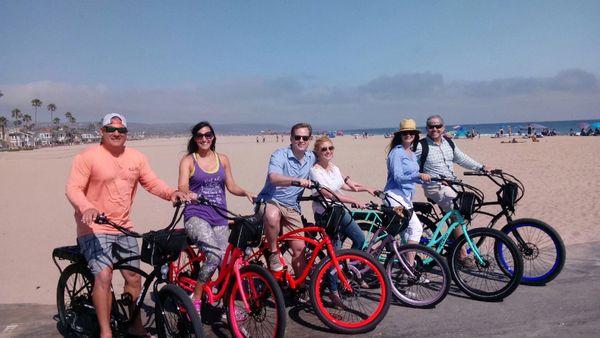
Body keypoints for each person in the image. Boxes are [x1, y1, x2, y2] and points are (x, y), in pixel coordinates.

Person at [66, 113, 188, 338]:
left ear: (126, 134)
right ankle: (106, 332)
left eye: (121, 130)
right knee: (104, 275)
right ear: (101, 132)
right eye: (110, 129)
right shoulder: (87, 157)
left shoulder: (136, 157)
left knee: (133, 278)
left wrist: (172, 193)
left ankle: (134, 324)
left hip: (123, 227)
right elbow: (73, 189)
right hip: (94, 228)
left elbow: (151, 182)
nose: (116, 133)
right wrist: (86, 208)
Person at [177, 121, 255, 314]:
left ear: (213, 137)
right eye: (200, 136)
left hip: (219, 216)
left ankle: (226, 301)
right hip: (197, 215)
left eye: (208, 135)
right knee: (213, 257)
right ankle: (196, 296)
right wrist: (189, 194)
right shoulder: (189, 160)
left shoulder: (223, 159)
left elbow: (231, 186)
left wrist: (245, 192)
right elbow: (182, 186)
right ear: (195, 139)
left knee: (228, 262)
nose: (204, 139)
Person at [414, 115, 491, 267]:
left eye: (438, 126)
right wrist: (426, 177)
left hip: (452, 185)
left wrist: (481, 167)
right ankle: (462, 254)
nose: (435, 129)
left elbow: (462, 158)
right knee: (457, 213)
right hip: (435, 187)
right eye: (431, 126)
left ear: (443, 127)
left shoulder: (448, 142)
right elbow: (409, 168)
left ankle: (456, 241)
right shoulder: (421, 146)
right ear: (427, 128)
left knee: (465, 210)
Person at [310, 135, 376, 306]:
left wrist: (365, 188)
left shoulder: (333, 168)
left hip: (340, 211)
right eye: (324, 149)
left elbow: (345, 185)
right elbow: (327, 193)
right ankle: (333, 290)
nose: (328, 152)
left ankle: (348, 271)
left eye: (330, 148)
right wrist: (351, 200)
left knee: (360, 239)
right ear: (317, 151)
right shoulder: (315, 171)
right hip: (327, 215)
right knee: (335, 255)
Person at [257, 123, 316, 277]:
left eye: (305, 137)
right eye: (297, 137)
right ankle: (273, 253)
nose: (301, 140)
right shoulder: (280, 155)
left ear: (310, 139)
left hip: (292, 207)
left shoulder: (311, 157)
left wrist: (347, 181)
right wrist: (295, 180)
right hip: (271, 200)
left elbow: (326, 165)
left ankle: (300, 286)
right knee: (272, 215)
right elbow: (274, 177)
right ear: (291, 138)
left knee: (299, 248)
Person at [383, 119, 430, 266]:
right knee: (416, 229)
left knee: (403, 233)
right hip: (395, 195)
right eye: (405, 133)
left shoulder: (411, 153)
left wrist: (431, 180)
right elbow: (397, 177)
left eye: (412, 133)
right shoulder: (396, 153)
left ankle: (405, 265)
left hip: (406, 197)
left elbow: (413, 178)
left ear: (415, 135)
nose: (408, 135)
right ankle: (410, 267)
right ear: (400, 135)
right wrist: (417, 176)